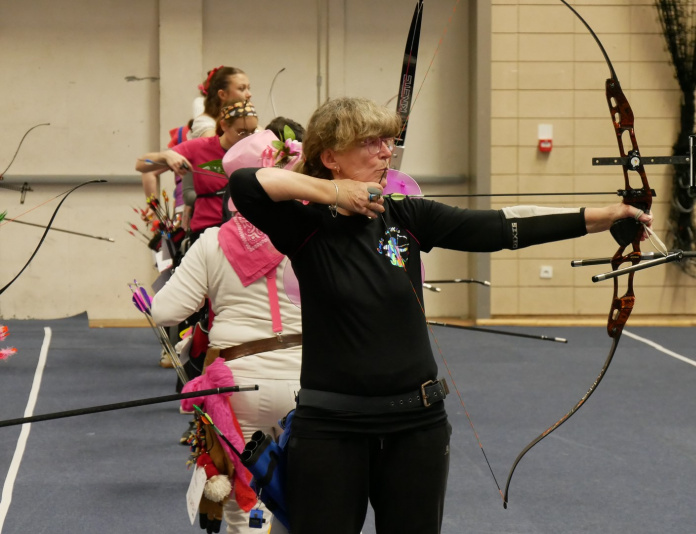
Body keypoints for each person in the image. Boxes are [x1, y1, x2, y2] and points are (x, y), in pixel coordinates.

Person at [228, 96, 654, 534]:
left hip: (416, 425)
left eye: (388, 141)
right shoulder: (305, 227)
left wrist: (604, 217)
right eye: (371, 142)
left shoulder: (406, 216)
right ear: (330, 157)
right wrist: (336, 193)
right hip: (331, 428)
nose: (386, 152)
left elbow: (502, 226)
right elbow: (245, 183)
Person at [149, 123, 305, 534]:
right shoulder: (313, 235)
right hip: (308, 381)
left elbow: (165, 311)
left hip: (237, 384)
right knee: (310, 501)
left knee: (245, 502)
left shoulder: (213, 241)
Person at [136, 100, 260, 242]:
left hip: (246, 232)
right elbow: (141, 164)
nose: (248, 137)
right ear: (224, 125)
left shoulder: (257, 150)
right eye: (241, 132)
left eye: (253, 132)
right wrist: (166, 155)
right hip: (207, 232)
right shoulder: (199, 147)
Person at [191, 66, 253, 139]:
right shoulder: (203, 122)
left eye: (248, 88)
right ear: (222, 94)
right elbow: (214, 144)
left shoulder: (241, 119)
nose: (249, 94)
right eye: (241, 89)